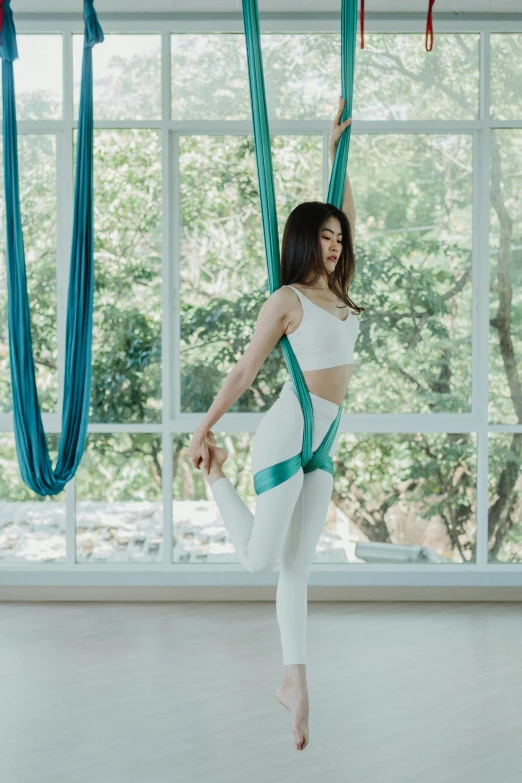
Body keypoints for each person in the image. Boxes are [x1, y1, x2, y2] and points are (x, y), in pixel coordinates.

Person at [187, 97, 363, 752]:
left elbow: (350, 217)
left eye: (339, 237)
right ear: (300, 240)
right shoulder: (285, 301)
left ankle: (296, 681)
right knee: (262, 559)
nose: (337, 243)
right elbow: (241, 374)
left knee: (298, 566)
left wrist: (334, 157)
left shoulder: (340, 295)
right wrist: (205, 428)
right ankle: (215, 481)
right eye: (324, 235)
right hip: (289, 429)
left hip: (328, 433)